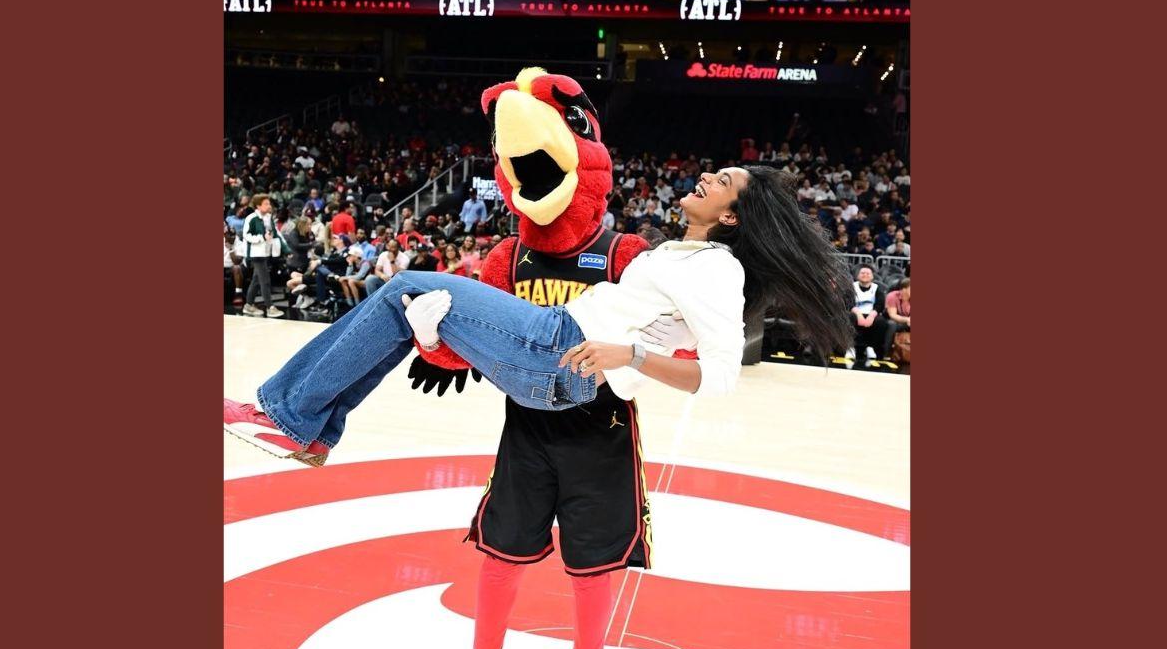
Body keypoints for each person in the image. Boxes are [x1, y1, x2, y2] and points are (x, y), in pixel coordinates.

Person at [224, 165, 852, 461]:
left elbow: (719, 378)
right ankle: (313, 431)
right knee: (403, 304)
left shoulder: (717, 268)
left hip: (559, 348)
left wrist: (631, 356)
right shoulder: (679, 254)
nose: (707, 177)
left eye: (723, 182)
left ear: (732, 215)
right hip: (557, 361)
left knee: (406, 287)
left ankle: (289, 417)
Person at [242, 194, 290, 318]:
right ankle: (270, 307)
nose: (269, 206)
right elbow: (246, 235)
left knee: (256, 280)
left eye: (269, 204)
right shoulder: (251, 218)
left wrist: (286, 249)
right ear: (258, 206)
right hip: (256, 253)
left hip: (266, 252)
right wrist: (261, 238)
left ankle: (248, 305)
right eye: (266, 204)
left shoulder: (269, 217)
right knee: (265, 281)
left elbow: (276, 234)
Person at [845, 264, 885, 362]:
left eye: (868, 273)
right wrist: (858, 314)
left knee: (881, 321)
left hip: (871, 314)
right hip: (855, 313)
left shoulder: (877, 288)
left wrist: (871, 316)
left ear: (872, 276)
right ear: (857, 275)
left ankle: (871, 347)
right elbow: (848, 302)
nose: (865, 275)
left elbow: (880, 304)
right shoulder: (851, 286)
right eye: (862, 273)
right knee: (850, 317)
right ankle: (850, 347)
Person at [882, 276, 911, 359]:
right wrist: (907, 319)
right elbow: (892, 315)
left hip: (907, 321)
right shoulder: (892, 296)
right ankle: (886, 353)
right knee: (892, 325)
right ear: (904, 289)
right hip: (892, 320)